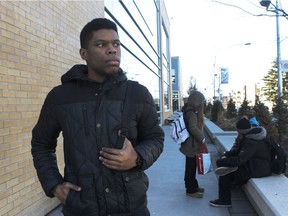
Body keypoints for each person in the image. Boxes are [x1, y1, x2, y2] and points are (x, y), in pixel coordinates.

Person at [31, 18, 164, 216]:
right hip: (81, 208)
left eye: (116, 44)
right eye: (101, 44)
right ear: (83, 53)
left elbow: (155, 138)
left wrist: (137, 157)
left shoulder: (138, 94)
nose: (112, 50)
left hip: (132, 209)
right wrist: (54, 184)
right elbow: (41, 144)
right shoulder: (60, 97)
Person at [210, 117, 271, 207]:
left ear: (241, 131)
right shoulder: (251, 135)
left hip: (259, 168)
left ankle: (224, 201)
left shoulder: (251, 141)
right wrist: (227, 154)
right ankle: (233, 184)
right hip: (256, 164)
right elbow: (239, 151)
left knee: (225, 174)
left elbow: (240, 159)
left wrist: (221, 162)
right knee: (230, 168)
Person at [179, 90, 206, 198]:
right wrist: (202, 138)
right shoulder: (191, 113)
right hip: (191, 145)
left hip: (189, 144)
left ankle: (194, 186)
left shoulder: (188, 110)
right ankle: (190, 190)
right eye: (200, 102)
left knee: (191, 167)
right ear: (196, 102)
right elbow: (193, 128)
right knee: (190, 168)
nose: (201, 105)